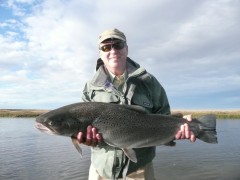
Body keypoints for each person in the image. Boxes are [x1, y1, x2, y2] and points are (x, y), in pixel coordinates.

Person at [77, 28, 196, 180]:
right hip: (100, 170)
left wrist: (178, 128)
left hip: (140, 170)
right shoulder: (90, 87)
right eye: (106, 47)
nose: (113, 51)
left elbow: (164, 117)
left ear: (126, 49)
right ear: (100, 53)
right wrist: (88, 141)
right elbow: (83, 127)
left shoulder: (149, 82)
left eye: (118, 45)